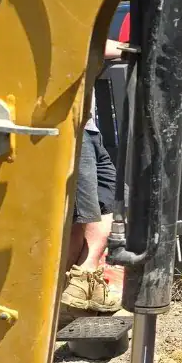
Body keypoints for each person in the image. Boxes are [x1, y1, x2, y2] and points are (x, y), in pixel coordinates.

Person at [61, 39, 124, 314]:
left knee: (107, 200)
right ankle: (60, 296)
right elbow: (88, 42)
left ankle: (86, 278)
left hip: (88, 128)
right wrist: (132, 48)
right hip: (69, 126)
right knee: (79, 217)